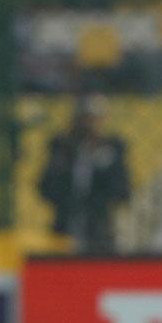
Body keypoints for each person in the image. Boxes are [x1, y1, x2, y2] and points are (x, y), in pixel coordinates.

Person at [38, 96, 131, 252]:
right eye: (85, 118)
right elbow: (47, 186)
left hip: (99, 227)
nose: (90, 124)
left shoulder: (112, 149)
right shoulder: (61, 148)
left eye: (94, 119)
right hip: (65, 223)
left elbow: (122, 189)